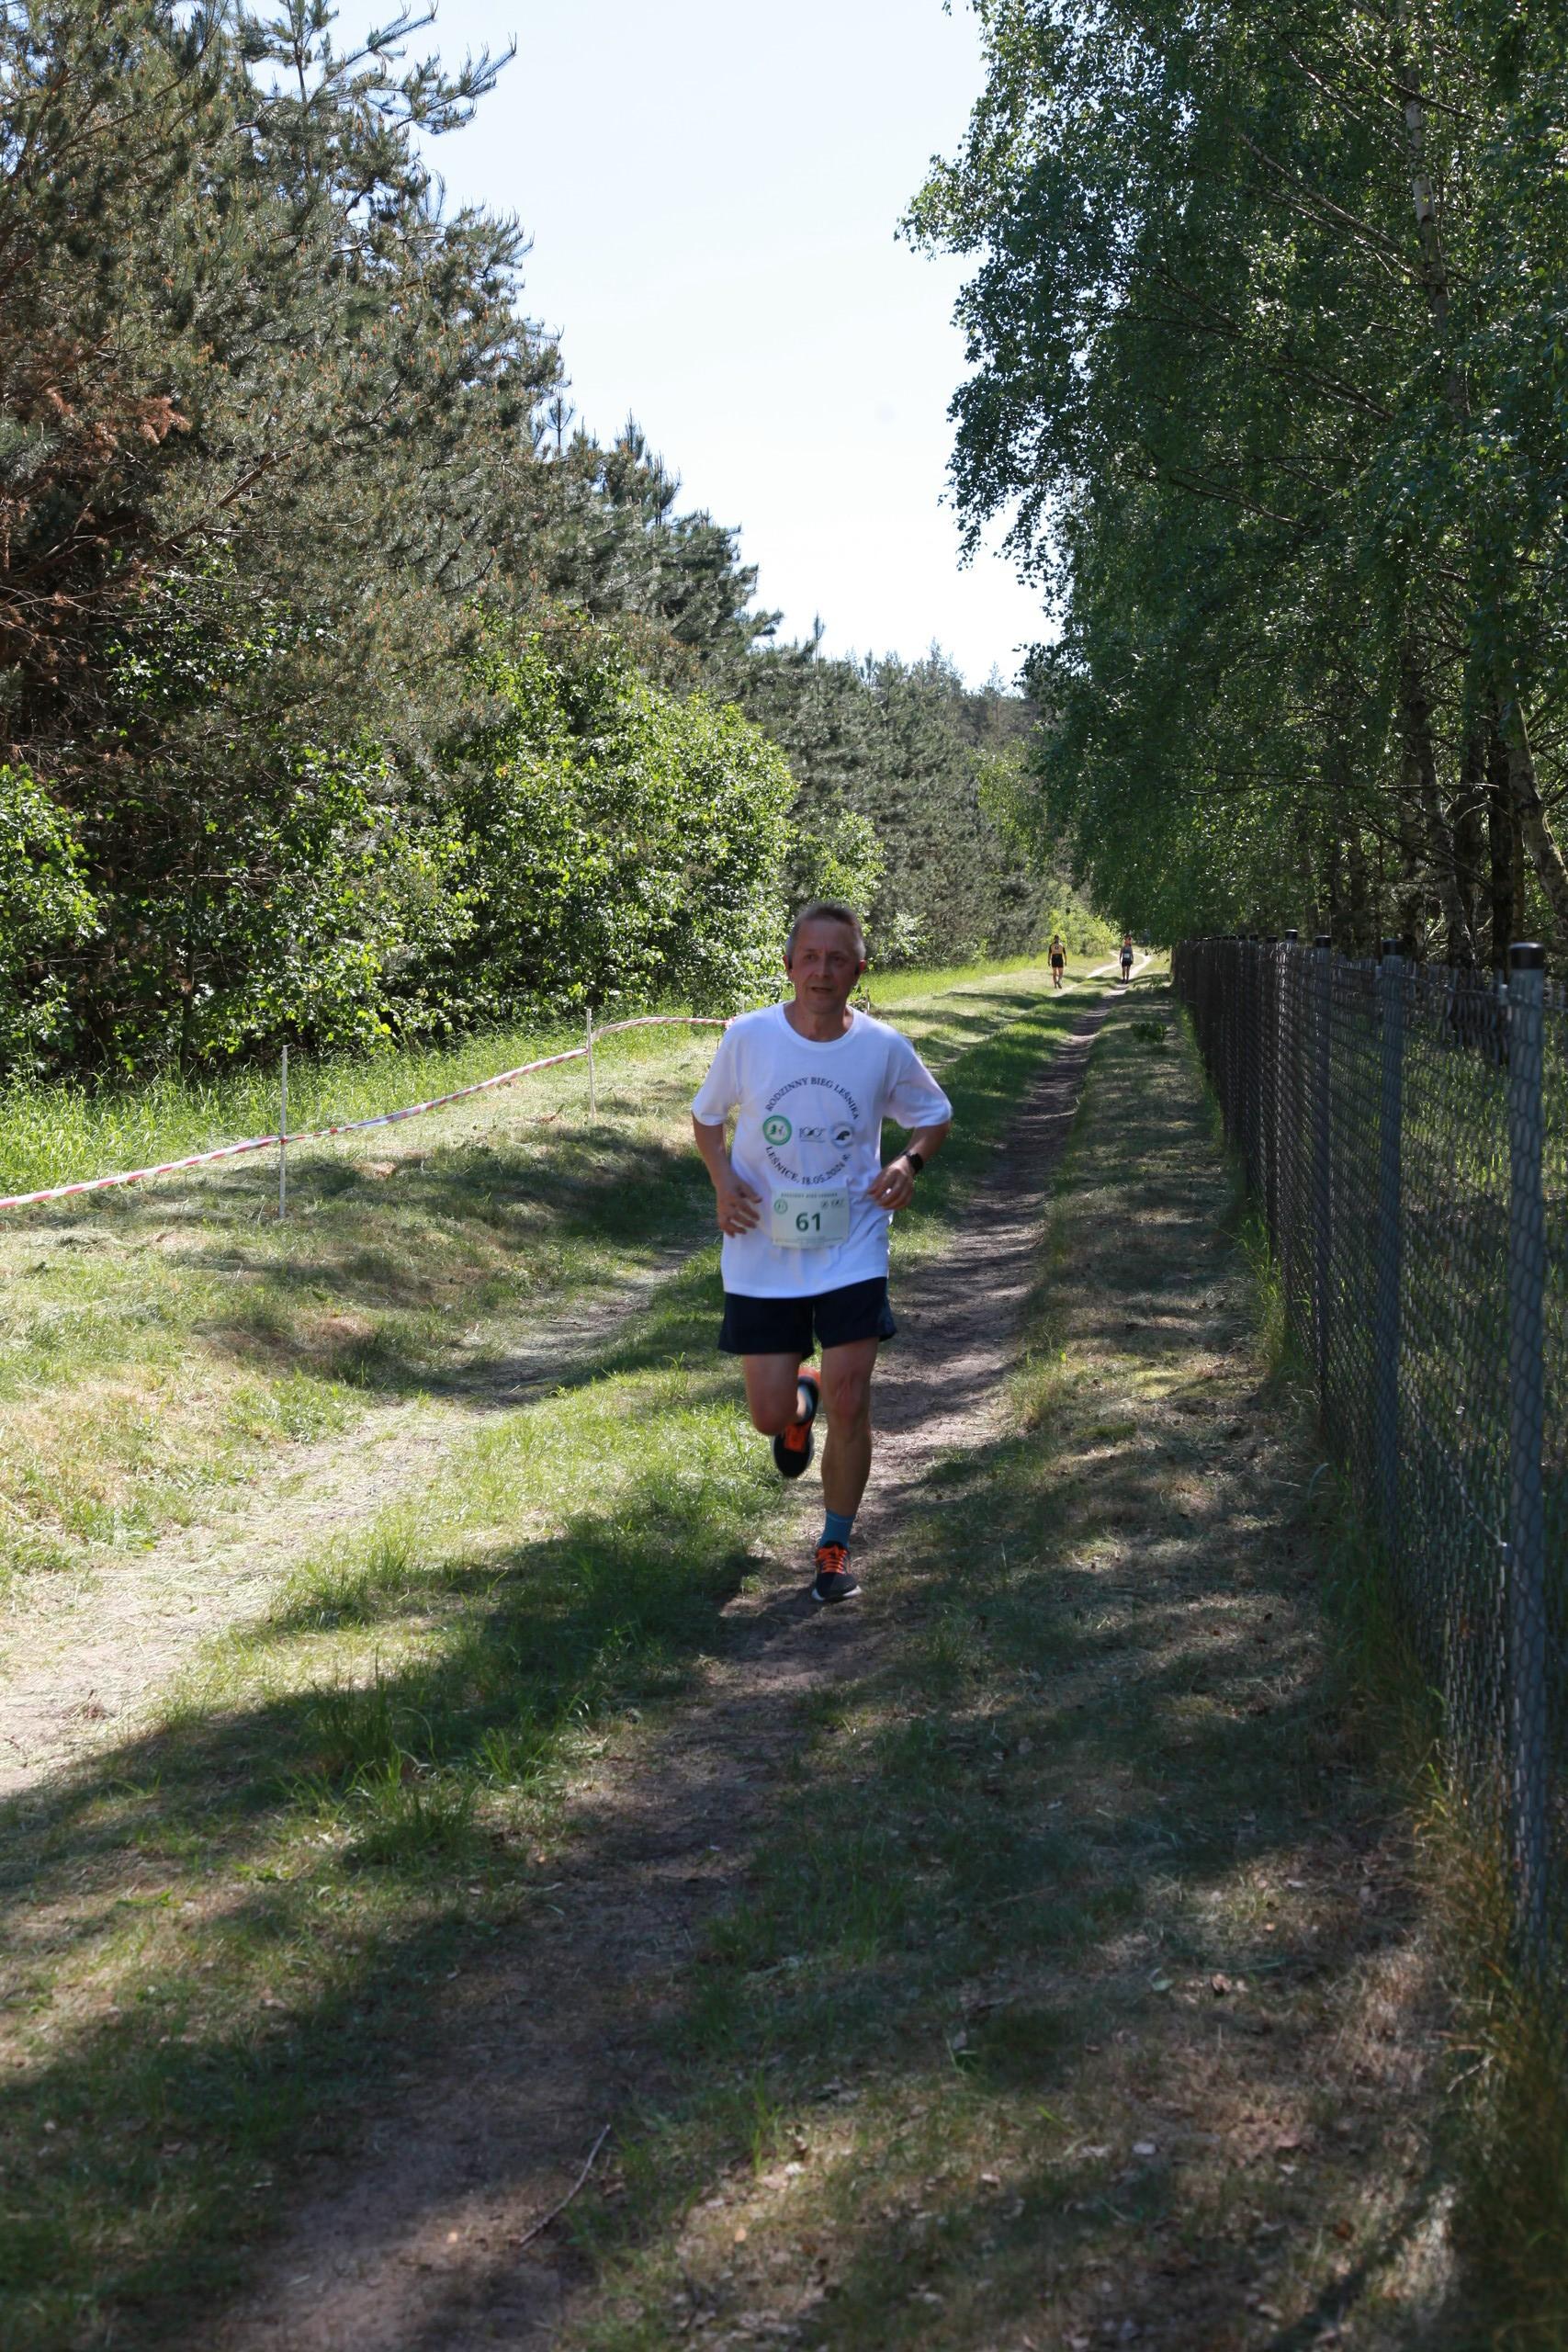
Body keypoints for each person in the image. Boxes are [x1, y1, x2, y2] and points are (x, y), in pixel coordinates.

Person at [691, 902, 953, 1604]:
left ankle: (834, 1548)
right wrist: (723, 1183)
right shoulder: (748, 1037)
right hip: (761, 1245)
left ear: (859, 970)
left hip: (852, 1243)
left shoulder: (882, 1047)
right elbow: (706, 1118)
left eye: (837, 959)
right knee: (766, 1415)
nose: (822, 971)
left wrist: (907, 1164)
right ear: (788, 965)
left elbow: (934, 1117)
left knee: (852, 1396)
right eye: (809, 957)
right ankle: (796, 1405)